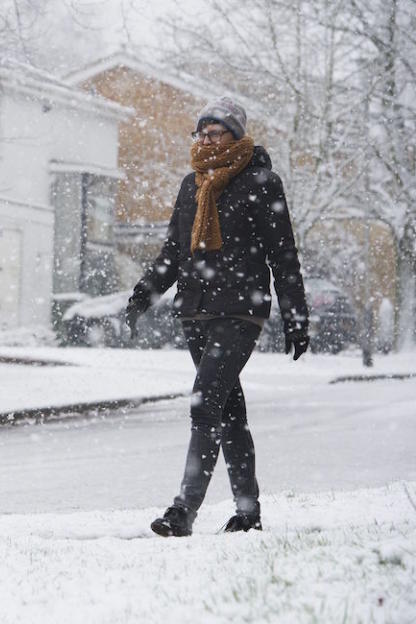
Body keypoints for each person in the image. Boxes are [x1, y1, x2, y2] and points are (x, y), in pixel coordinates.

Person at [126, 96, 310, 536]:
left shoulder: (261, 181)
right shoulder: (192, 185)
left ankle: (183, 511)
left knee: (204, 402)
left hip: (240, 310)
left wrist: (295, 315)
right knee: (229, 411)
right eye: (201, 133)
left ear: (236, 135)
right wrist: (141, 296)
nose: (205, 139)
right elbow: (173, 253)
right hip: (194, 310)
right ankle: (248, 512)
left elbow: (282, 254)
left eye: (215, 132)